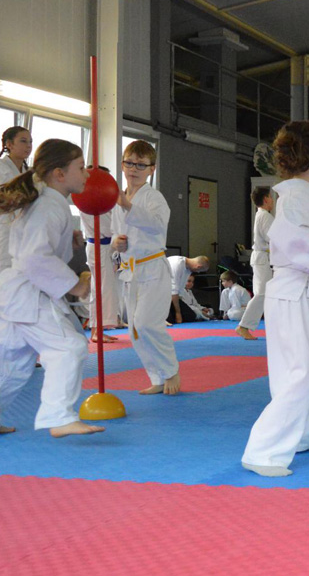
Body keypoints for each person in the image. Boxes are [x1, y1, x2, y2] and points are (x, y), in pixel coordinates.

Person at [0, 139, 104, 439]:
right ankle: (59, 417)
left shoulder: (47, 201)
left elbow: (36, 246)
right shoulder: (49, 205)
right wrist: (74, 285)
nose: (87, 174)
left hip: (17, 293)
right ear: (59, 174)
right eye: (81, 168)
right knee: (69, 347)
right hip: (31, 295)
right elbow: (34, 257)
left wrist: (68, 241)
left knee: (6, 362)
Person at [241, 121, 309, 477]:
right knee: (298, 373)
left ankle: (300, 435)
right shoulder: (297, 194)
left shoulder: (303, 194)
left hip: (306, 292)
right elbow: (289, 238)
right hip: (293, 292)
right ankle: (263, 451)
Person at [112, 140, 181, 395]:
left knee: (146, 324)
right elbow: (115, 233)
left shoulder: (154, 198)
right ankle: (157, 377)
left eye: (141, 165)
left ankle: (171, 370)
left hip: (153, 269)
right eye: (130, 163)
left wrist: (128, 206)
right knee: (134, 331)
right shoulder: (119, 199)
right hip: (130, 271)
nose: (134, 169)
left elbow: (156, 225)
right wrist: (116, 245)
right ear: (122, 165)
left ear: (152, 169)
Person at [0, 126, 33, 329]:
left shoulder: (29, 173)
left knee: (23, 287)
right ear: (9, 144)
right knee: (3, 284)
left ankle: (20, 337)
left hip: (25, 235)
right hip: (5, 233)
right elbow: (10, 197)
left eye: (30, 142)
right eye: (23, 141)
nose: (28, 146)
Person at [78, 165, 124, 342]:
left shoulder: (98, 200)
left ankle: (98, 329)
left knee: (103, 289)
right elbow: (108, 228)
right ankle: (96, 331)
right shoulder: (91, 200)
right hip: (100, 246)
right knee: (101, 289)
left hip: (103, 247)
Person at [237, 186, 274, 340]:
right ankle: (244, 326)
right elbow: (272, 238)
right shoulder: (265, 216)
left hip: (263, 257)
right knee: (261, 293)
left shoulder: (262, 215)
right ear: (266, 199)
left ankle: (249, 325)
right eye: (270, 197)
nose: (272, 200)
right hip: (262, 257)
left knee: (267, 293)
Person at [166, 255, 211, 324]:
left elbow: (179, 291)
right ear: (198, 267)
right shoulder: (177, 264)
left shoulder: (187, 270)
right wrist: (178, 313)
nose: (198, 272)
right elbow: (174, 291)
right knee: (171, 318)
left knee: (191, 316)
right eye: (199, 271)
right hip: (158, 293)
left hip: (170, 296)